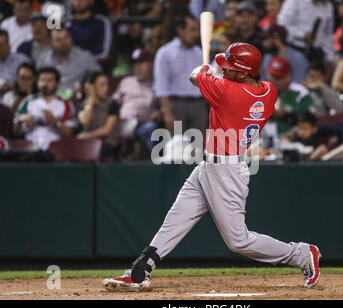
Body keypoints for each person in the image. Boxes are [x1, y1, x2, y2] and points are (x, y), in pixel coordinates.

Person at [102, 42, 321, 292]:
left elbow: (194, 76)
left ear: (244, 73)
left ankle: (301, 254)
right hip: (211, 164)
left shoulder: (228, 92)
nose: (224, 69)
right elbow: (216, 79)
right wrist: (213, 73)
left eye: (229, 67)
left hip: (226, 170)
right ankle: (140, 270)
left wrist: (204, 69)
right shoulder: (269, 91)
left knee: (238, 241)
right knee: (176, 217)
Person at [153, 13, 208, 137]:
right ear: (180, 31)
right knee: (176, 148)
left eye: (197, 30)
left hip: (198, 105)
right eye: (192, 30)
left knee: (199, 150)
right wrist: (167, 113)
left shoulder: (199, 52)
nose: (196, 34)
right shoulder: (165, 53)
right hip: (176, 105)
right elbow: (161, 86)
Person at [13, 67, 77, 150]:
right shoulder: (28, 101)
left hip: (56, 148)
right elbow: (15, 131)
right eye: (42, 80)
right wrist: (21, 122)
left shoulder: (65, 104)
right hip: (30, 147)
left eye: (49, 81)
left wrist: (55, 121)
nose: (45, 84)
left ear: (57, 84)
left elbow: (69, 133)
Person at [113, 48, 161, 152]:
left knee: (151, 128)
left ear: (151, 64)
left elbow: (163, 107)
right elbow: (113, 104)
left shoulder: (156, 85)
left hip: (143, 124)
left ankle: (152, 161)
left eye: (142, 63)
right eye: (135, 64)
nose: (138, 68)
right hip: (122, 123)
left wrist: (158, 113)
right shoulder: (126, 82)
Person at [36, 27, 102, 95]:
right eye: (58, 40)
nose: (64, 42)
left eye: (66, 37)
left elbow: (99, 77)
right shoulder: (43, 60)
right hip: (49, 98)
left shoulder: (85, 57)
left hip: (76, 99)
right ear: (50, 42)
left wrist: (86, 86)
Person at [77, 72, 120, 160]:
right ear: (91, 87)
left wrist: (87, 135)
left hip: (106, 145)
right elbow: (85, 121)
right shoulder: (83, 105)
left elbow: (106, 130)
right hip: (87, 146)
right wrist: (91, 99)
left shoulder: (112, 104)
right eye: (102, 85)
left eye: (107, 84)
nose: (106, 88)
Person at [267, 57, 315, 133]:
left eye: (279, 77)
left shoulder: (301, 92)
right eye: (272, 76)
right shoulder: (263, 92)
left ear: (288, 76)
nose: (274, 80)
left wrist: (287, 114)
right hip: (263, 139)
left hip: (293, 139)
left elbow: (310, 119)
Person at [0, 29, 30, 95]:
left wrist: (11, 88)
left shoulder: (22, 60)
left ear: (8, 44)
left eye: (2, 44)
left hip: (18, 95)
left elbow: (31, 84)